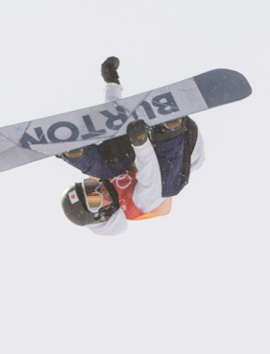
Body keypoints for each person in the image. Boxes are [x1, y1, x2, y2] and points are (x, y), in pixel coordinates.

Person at [56, 57, 205, 236]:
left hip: (147, 135)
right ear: (104, 214)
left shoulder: (104, 174)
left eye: (89, 188)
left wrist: (112, 83)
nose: (97, 190)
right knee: (167, 188)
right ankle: (170, 127)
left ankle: (75, 153)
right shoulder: (137, 206)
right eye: (94, 199)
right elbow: (151, 177)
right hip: (184, 148)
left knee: (103, 167)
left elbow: (112, 128)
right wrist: (140, 143)